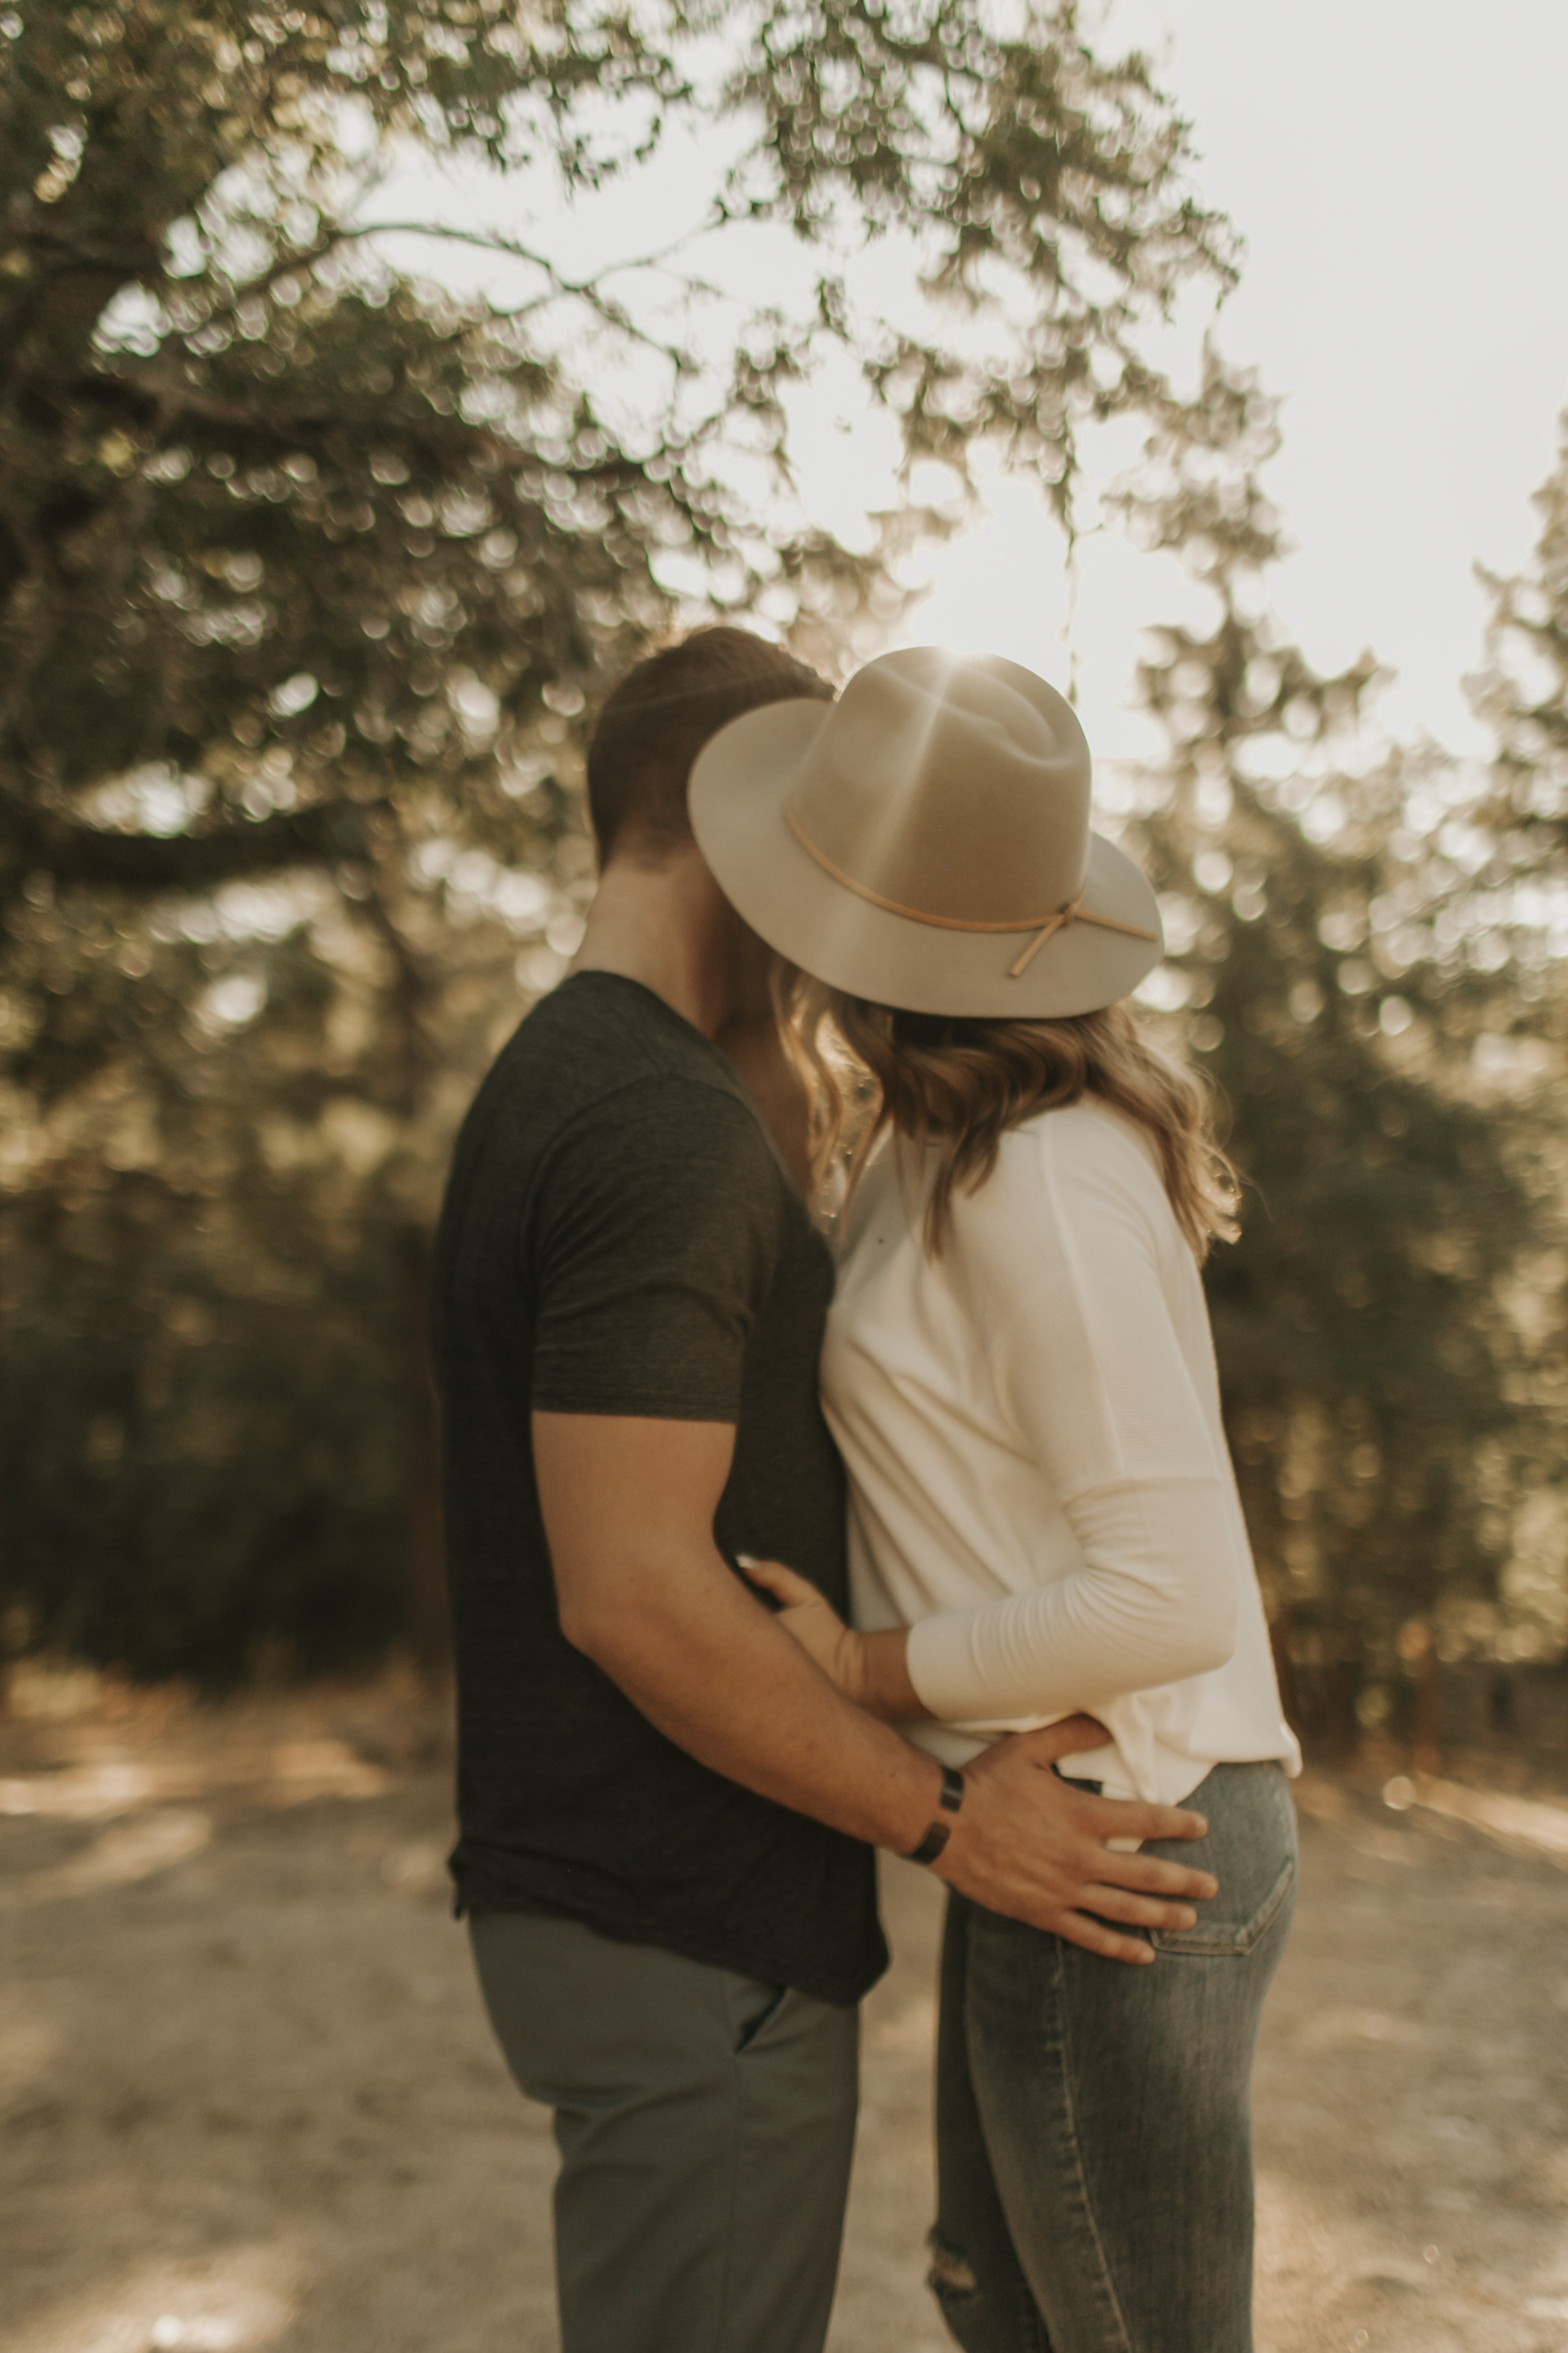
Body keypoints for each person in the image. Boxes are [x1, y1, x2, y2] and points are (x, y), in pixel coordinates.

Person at [429, 627, 1221, 2353]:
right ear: (738, 831)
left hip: (641, 1906)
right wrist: (943, 1820)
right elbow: (634, 1588)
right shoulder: (653, 1127)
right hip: (677, 1919)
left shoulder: (588, 1083)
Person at [689, 644, 1302, 2353]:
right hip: (1059, 1815)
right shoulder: (931, 1139)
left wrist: (863, 1674)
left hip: (1127, 1827)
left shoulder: (1039, 1176)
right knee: (1007, 2316)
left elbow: (1168, 1592)